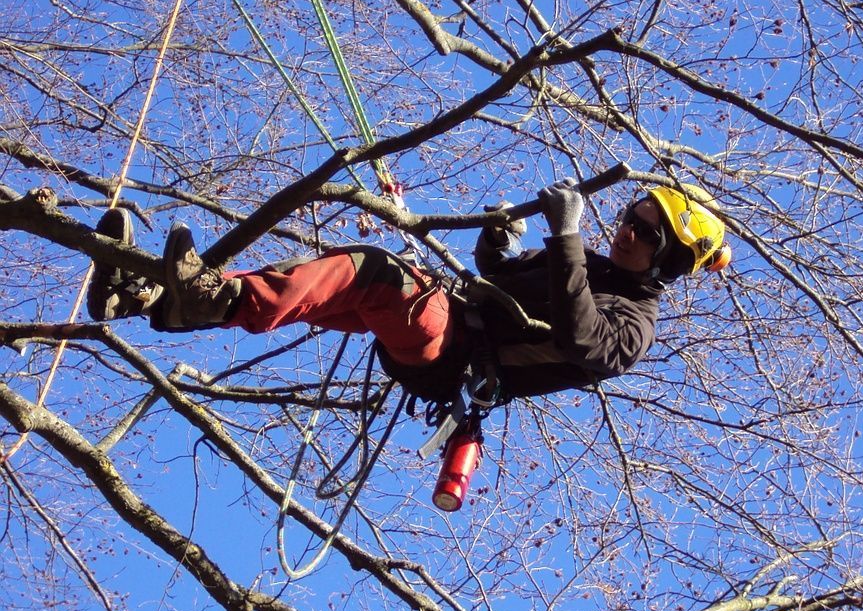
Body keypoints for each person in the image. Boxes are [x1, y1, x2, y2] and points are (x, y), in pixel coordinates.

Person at [86, 181, 730, 404]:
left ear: (666, 262)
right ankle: (155, 303)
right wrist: (497, 239)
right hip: (449, 322)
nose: (627, 232)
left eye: (647, 234)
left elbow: (584, 341)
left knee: (374, 271)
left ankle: (205, 300)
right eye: (630, 217)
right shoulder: (580, 261)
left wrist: (567, 236)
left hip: (459, 354)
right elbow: (503, 275)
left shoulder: (634, 321)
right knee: (331, 284)